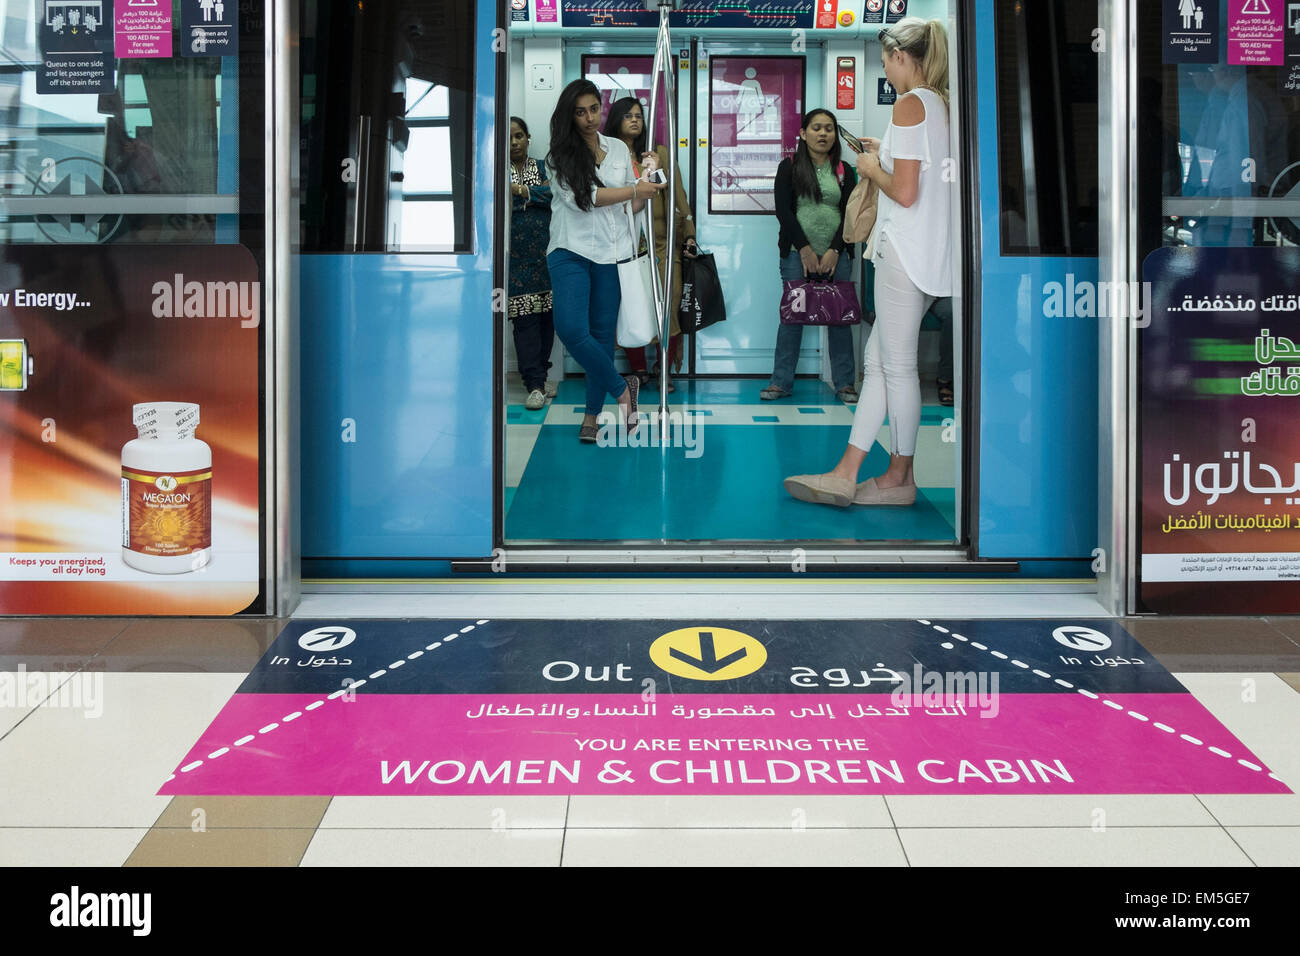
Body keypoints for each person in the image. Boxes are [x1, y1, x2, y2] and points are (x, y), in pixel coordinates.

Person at [783, 17, 952, 507]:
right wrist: (885, 155)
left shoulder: (909, 103)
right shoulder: (939, 105)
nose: (886, 71)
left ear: (902, 56)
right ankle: (849, 470)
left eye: (885, 61)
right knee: (879, 362)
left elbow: (903, 189)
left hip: (904, 252)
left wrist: (870, 167)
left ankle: (900, 477)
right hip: (925, 255)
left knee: (895, 367)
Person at [545, 78, 668, 443]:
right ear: (569, 115)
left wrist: (646, 182)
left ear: (602, 108)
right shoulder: (558, 156)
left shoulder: (617, 149)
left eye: (594, 109)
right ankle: (621, 389)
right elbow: (586, 199)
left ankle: (591, 416)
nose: (588, 118)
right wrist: (633, 188)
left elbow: (630, 207)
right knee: (570, 329)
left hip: (612, 253)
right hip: (570, 248)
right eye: (580, 112)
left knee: (601, 337)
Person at [763, 107, 859, 404]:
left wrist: (834, 250)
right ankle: (781, 382)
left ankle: (844, 384)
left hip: (836, 256)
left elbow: (850, 215)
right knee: (792, 318)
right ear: (803, 134)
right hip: (795, 254)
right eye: (816, 128)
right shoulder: (789, 166)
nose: (823, 134)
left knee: (839, 320)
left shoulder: (846, 170)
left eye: (829, 128)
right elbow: (784, 211)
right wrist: (805, 249)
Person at [603, 96, 698, 393]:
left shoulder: (658, 153)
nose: (634, 120)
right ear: (616, 119)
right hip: (624, 243)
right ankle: (638, 369)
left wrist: (690, 233)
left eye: (638, 115)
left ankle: (663, 368)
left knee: (665, 305)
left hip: (661, 243)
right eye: (627, 115)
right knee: (631, 302)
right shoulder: (608, 155)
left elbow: (676, 195)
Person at [508, 117, 555, 411]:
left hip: (547, 255)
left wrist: (523, 192)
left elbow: (555, 194)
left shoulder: (542, 167)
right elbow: (495, 202)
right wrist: (533, 197)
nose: (513, 142)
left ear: (528, 138)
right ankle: (534, 385)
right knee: (525, 323)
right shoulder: (494, 171)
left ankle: (542, 377)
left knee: (547, 321)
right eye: (508, 137)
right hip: (515, 260)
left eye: (518, 136)